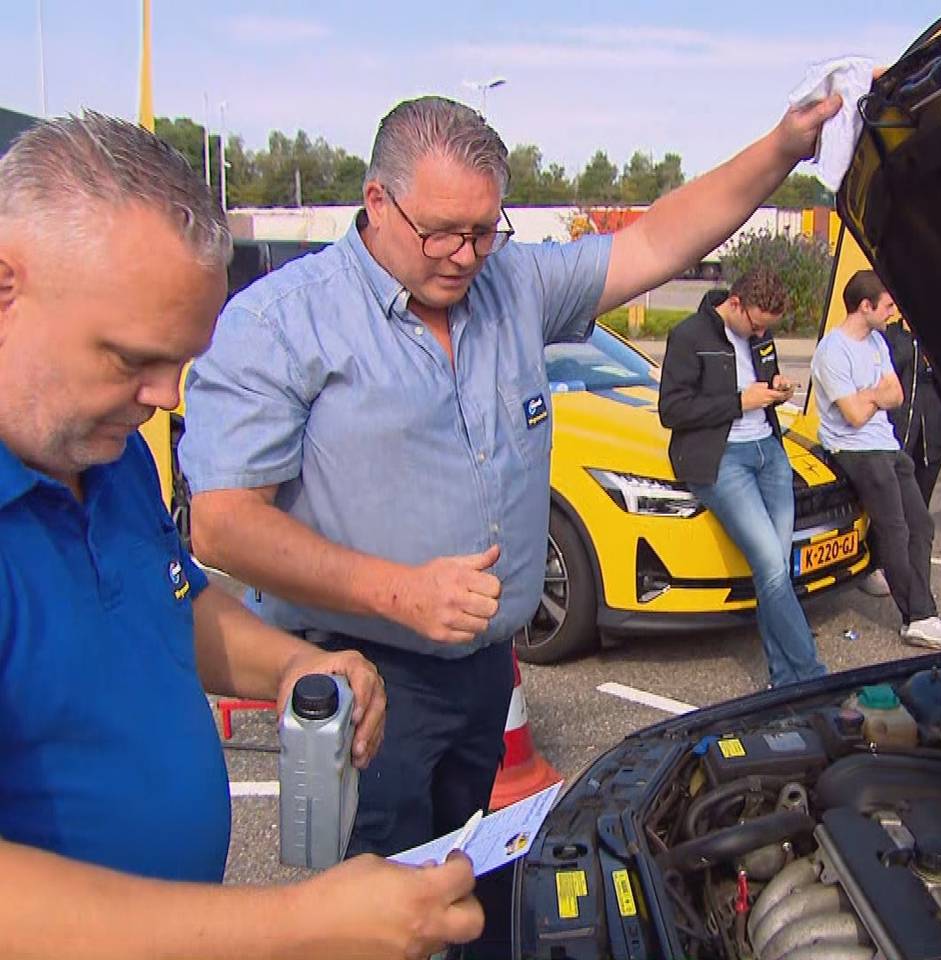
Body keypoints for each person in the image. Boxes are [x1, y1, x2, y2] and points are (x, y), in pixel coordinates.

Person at [179, 92, 841, 949]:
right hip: (365, 682)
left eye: (485, 230)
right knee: (374, 914)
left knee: (460, 881)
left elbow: (655, 238)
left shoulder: (510, 285)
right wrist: (397, 592)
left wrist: (783, 148)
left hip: (486, 670)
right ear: (378, 202)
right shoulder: (280, 323)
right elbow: (223, 525)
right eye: (443, 232)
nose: (465, 255)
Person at [0, 112, 484, 959]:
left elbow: (168, 607)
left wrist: (292, 664)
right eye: (129, 358)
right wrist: (300, 926)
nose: (164, 397)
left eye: (181, 361)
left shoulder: (104, 453)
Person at [658, 269, 826, 688]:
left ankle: (784, 680)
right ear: (734, 303)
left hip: (769, 452)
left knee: (777, 571)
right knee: (771, 566)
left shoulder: (758, 335)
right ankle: (813, 678)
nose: (760, 332)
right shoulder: (689, 336)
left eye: (767, 328)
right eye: (755, 324)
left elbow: (762, 382)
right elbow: (672, 410)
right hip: (723, 460)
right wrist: (739, 401)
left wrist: (777, 387)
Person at [810, 271, 941, 649]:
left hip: (886, 444)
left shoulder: (877, 344)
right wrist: (873, 395)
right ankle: (916, 616)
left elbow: (895, 395)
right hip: (856, 449)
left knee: (922, 525)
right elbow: (852, 416)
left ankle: (925, 611)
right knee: (894, 530)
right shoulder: (832, 351)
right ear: (865, 306)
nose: (893, 311)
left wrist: (869, 396)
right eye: (886, 305)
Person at [882, 316, 941, 507]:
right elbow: (886, 372)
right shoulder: (890, 335)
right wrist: (908, 339)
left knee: (920, 508)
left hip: (933, 436)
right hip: (897, 434)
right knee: (893, 508)